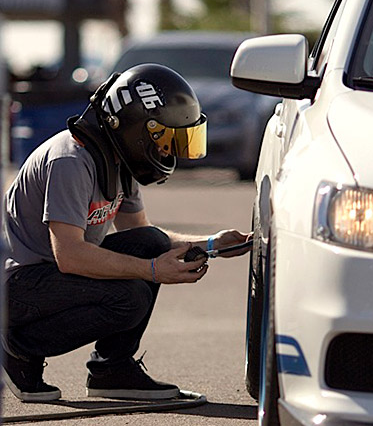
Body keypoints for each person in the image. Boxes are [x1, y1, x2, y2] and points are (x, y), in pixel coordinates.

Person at [2, 63, 251, 403]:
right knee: (129, 297)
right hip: (16, 287)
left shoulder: (117, 159)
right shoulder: (71, 160)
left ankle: (111, 370)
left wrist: (210, 243)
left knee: (150, 243)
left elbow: (143, 236)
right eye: (164, 138)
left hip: (46, 278)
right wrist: (152, 270)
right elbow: (71, 255)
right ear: (137, 127)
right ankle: (16, 349)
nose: (167, 150)